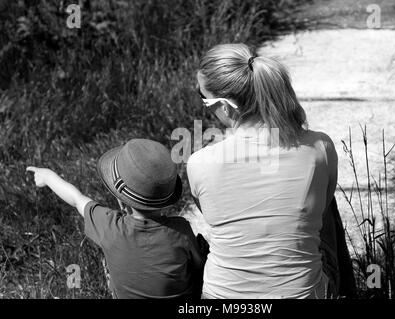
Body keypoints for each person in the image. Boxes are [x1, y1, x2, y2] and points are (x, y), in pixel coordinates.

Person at [187, 43, 339, 298]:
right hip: (303, 294)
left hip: (223, 297)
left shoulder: (199, 163)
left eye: (203, 98)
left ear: (225, 107)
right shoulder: (320, 147)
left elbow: (211, 211)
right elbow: (320, 211)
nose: (205, 107)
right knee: (321, 201)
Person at [27, 139, 205, 299]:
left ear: (121, 199)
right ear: (167, 198)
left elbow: (77, 199)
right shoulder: (181, 231)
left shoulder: (109, 225)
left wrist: (48, 177)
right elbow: (199, 268)